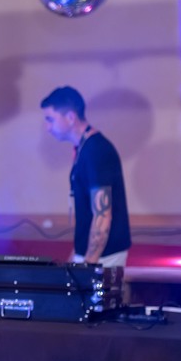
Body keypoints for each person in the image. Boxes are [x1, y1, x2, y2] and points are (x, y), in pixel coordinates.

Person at [41, 86, 131, 267]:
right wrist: (77, 255)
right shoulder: (85, 148)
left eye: (50, 119)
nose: (48, 128)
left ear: (70, 117)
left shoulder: (95, 151)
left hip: (104, 255)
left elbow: (102, 214)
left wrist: (88, 265)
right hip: (96, 254)